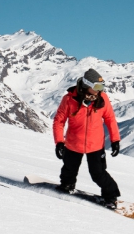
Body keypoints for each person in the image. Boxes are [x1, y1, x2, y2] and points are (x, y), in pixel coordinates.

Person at [52, 68, 122, 209]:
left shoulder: (102, 99)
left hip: (95, 145)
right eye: (97, 87)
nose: (99, 90)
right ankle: (67, 186)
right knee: (69, 170)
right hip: (73, 143)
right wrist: (59, 142)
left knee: (98, 174)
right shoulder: (69, 99)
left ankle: (111, 197)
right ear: (87, 85)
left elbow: (110, 119)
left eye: (101, 87)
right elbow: (59, 121)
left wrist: (115, 140)